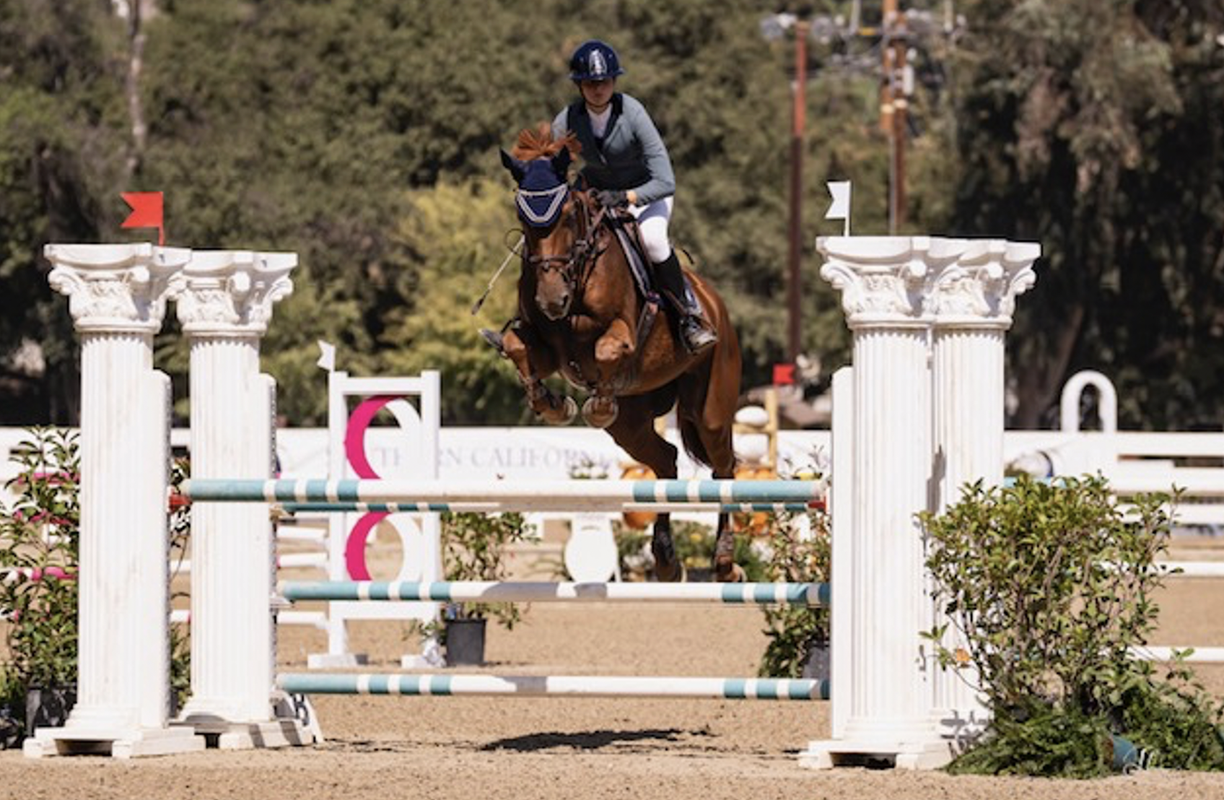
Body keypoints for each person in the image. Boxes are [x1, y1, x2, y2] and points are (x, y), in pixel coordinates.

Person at [554, 39, 717, 353]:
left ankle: (688, 317)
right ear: (579, 86)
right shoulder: (567, 120)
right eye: (590, 83)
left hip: (645, 194)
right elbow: (555, 167)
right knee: (555, 243)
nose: (598, 89)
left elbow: (665, 180)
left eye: (603, 82)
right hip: (596, 197)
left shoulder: (633, 113)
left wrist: (627, 197)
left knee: (654, 241)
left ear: (613, 81)